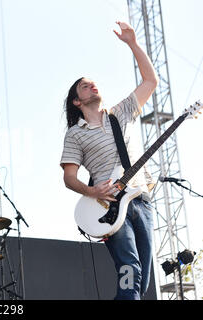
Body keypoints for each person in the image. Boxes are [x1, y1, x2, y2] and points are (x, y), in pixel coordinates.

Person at [60, 22, 158, 300]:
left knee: (143, 278)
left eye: (93, 83)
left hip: (142, 200)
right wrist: (93, 191)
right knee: (130, 268)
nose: (91, 85)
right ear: (77, 101)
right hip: (111, 205)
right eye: (84, 86)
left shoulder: (122, 112)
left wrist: (133, 44)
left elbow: (150, 81)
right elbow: (68, 178)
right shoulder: (75, 135)